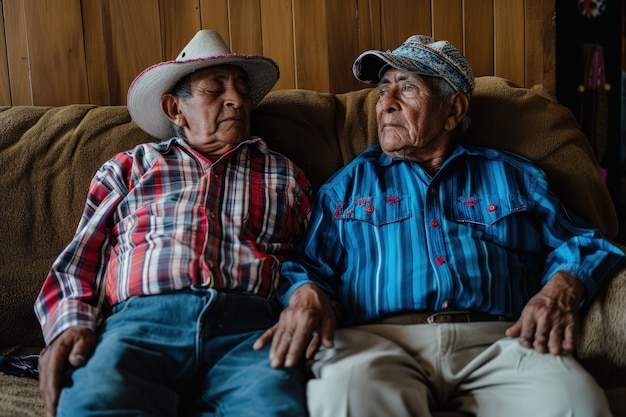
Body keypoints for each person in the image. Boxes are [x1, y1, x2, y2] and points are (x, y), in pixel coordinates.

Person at [254, 35, 626, 416]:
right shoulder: (347, 187)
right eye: (383, 90)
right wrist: (305, 294)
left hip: (501, 341)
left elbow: (584, 242)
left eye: (407, 87)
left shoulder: (513, 176)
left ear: (453, 110)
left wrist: (561, 287)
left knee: (578, 402)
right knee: (343, 394)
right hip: (378, 342)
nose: (386, 103)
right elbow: (307, 264)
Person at [35, 30, 311, 417]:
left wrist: (305, 295)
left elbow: (308, 260)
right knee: (94, 406)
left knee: (274, 408)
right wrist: (69, 327)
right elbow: (80, 263)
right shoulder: (131, 167)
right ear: (175, 109)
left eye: (242, 90)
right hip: (140, 327)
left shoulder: (285, 175)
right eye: (215, 90)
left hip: (248, 332)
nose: (236, 99)